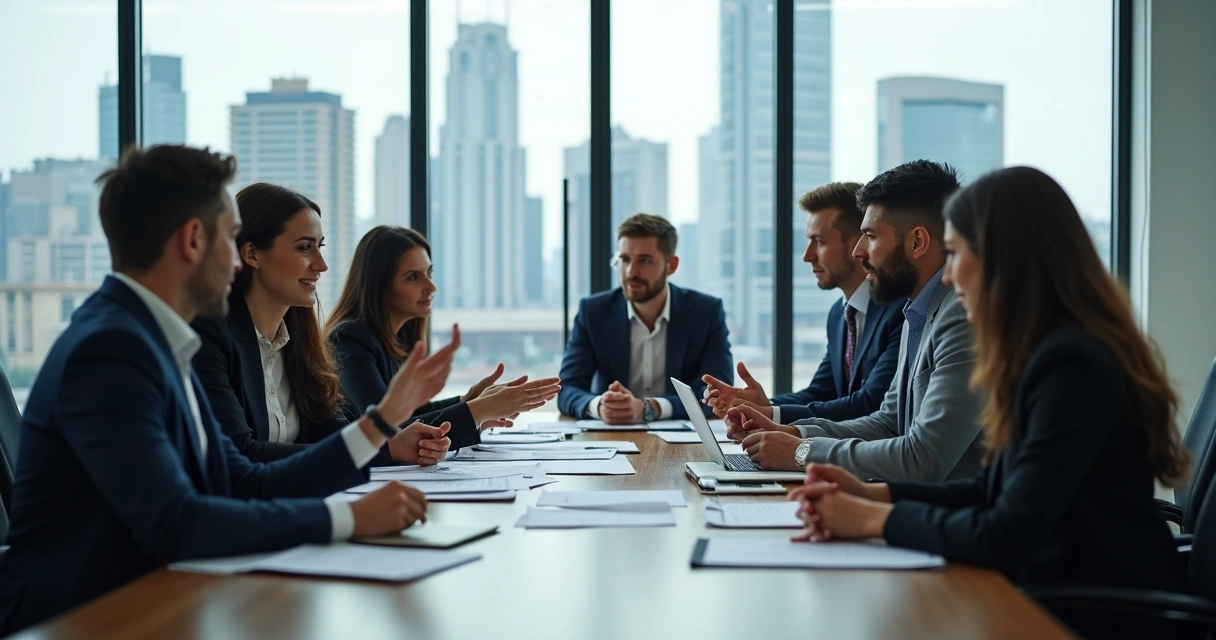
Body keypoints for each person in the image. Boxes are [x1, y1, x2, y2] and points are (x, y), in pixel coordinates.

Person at [0, 145, 459, 634]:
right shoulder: (111, 349)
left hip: (157, 598)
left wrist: (380, 424)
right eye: (231, 237)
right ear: (194, 240)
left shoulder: (158, 338)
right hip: (83, 617)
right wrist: (348, 521)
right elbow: (177, 523)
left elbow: (240, 480)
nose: (237, 260)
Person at [789, 167, 1189, 621]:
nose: (946, 277)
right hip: (1051, 596)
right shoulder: (1044, 352)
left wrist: (868, 519)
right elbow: (992, 489)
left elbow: (1005, 533)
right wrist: (875, 496)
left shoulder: (1072, 366)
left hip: (1100, 615)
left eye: (956, 254)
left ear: (1005, 261)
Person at [730, 160, 984, 481]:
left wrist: (801, 452)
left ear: (917, 242)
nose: (858, 251)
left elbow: (925, 458)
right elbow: (887, 423)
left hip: (950, 520)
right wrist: (793, 433)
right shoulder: (916, 310)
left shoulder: (962, 317)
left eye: (871, 236)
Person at [192, 183, 452, 464]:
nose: (322, 264)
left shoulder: (302, 343)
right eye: (305, 247)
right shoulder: (210, 336)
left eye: (320, 246)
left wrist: (392, 446)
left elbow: (334, 437)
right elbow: (241, 455)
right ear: (252, 254)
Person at [327, 225, 561, 448]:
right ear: (378, 284)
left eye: (429, 273)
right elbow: (391, 429)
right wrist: (478, 410)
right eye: (413, 277)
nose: (431, 286)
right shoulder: (350, 340)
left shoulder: (397, 340)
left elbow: (414, 413)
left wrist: (467, 399)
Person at [701, 182, 903, 426]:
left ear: (856, 245)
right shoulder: (839, 315)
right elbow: (821, 392)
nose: (807, 256)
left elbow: (870, 404)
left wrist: (770, 415)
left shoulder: (900, 311)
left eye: (819, 241)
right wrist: (759, 406)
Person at [557, 214, 733, 423]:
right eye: (624, 259)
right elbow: (567, 387)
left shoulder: (706, 312)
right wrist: (599, 406)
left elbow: (717, 392)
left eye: (645, 261)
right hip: (609, 437)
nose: (631, 272)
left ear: (671, 266)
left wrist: (651, 408)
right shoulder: (594, 312)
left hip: (683, 442)